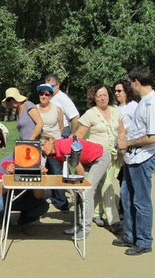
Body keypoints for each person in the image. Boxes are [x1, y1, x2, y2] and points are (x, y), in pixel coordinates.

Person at [113, 66, 155, 256]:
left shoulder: (152, 104)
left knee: (141, 201)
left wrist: (128, 142)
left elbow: (152, 137)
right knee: (126, 197)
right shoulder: (144, 101)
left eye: (131, 84)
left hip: (143, 159)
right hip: (132, 158)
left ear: (136, 82)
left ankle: (143, 241)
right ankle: (130, 235)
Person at [40, 134, 111, 240]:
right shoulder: (53, 154)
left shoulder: (63, 146)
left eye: (44, 144)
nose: (42, 148)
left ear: (51, 140)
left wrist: (80, 186)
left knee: (86, 193)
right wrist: (70, 187)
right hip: (86, 161)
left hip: (99, 158)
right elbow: (67, 169)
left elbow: (79, 169)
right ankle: (77, 225)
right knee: (77, 194)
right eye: (40, 147)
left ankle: (85, 229)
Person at [76, 84, 125, 233]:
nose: (102, 98)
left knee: (100, 184)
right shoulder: (90, 114)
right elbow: (78, 136)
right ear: (94, 98)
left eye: (105, 94)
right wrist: (78, 158)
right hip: (97, 156)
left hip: (113, 154)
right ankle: (114, 220)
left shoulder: (116, 112)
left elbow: (121, 133)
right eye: (99, 96)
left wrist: (122, 152)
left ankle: (96, 213)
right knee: (107, 184)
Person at [0, 155, 50, 235]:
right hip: (8, 196)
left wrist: (39, 177)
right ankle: (3, 220)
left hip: (27, 197)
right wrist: (8, 176)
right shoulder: (7, 162)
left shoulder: (36, 163)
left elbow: (38, 196)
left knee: (43, 206)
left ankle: (24, 222)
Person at [35, 83, 68, 212]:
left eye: (46, 94)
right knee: (40, 171)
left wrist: (58, 143)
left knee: (57, 171)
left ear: (50, 95)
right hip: (39, 145)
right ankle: (37, 199)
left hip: (55, 145)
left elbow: (61, 127)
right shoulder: (34, 109)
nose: (43, 96)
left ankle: (61, 200)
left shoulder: (57, 109)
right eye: (41, 93)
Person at [113, 79, 138, 218]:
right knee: (119, 177)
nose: (116, 93)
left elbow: (136, 126)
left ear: (126, 91)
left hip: (128, 147)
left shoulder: (133, 106)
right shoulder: (116, 108)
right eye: (115, 91)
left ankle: (124, 209)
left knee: (125, 178)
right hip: (116, 147)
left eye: (119, 91)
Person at [45, 74, 80, 138]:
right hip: (52, 132)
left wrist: (72, 134)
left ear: (58, 85)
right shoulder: (50, 97)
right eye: (47, 87)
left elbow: (75, 116)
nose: (49, 89)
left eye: (52, 86)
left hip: (63, 132)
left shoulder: (62, 98)